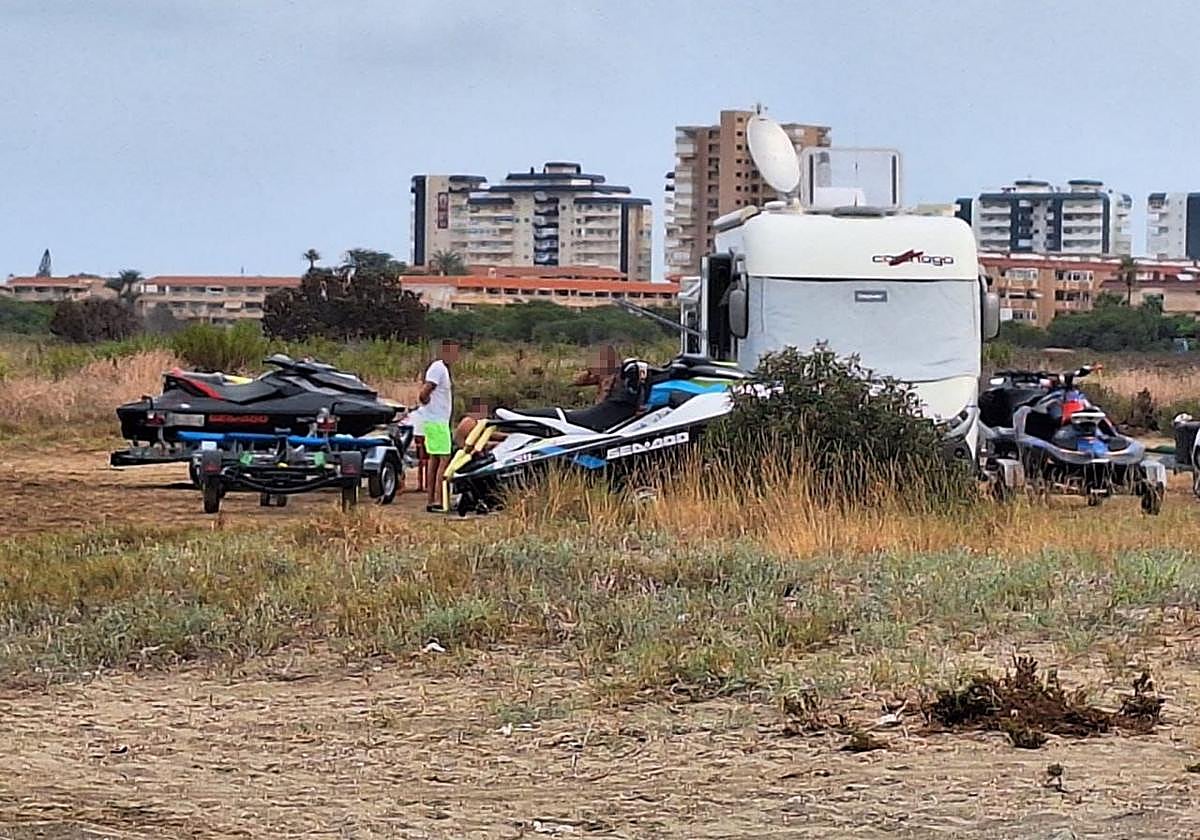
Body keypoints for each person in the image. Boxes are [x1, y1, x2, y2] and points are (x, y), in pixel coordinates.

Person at [419, 339, 459, 512]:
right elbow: (424, 392)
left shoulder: (442, 369)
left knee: (435, 460)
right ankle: (439, 499)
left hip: (436, 420)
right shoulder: (438, 368)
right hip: (437, 421)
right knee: (444, 458)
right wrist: (426, 402)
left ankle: (432, 499)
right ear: (444, 351)